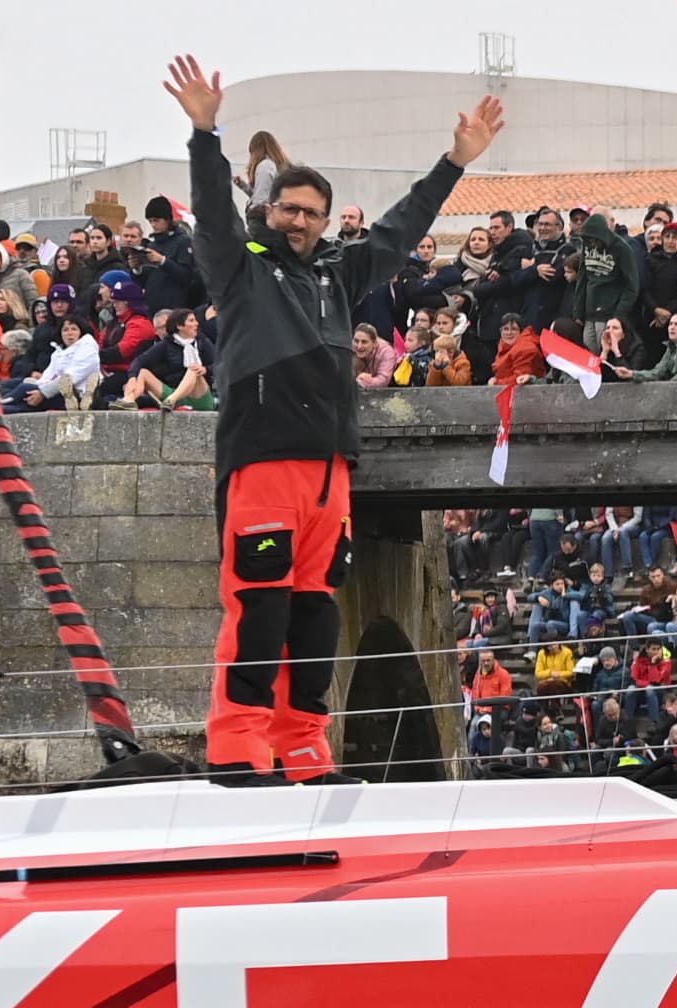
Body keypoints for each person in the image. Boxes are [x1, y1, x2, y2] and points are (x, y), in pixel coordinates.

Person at [166, 52, 501, 783]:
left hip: (330, 470)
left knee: (315, 614)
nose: (300, 221)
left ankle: (303, 747)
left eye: (313, 213)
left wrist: (454, 162)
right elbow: (214, 214)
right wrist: (203, 132)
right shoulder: (241, 265)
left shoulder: (339, 271)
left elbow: (399, 226)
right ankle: (237, 744)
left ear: (325, 222)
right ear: (269, 209)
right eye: (289, 209)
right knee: (258, 609)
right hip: (262, 458)